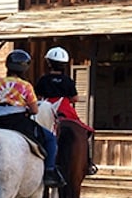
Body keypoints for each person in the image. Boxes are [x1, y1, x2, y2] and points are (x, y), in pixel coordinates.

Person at [0, 49, 62, 188]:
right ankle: (49, 171)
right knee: (50, 139)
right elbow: (34, 110)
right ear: (25, 68)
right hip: (17, 121)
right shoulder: (26, 86)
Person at [34, 46, 97, 176]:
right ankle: (89, 162)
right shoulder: (68, 80)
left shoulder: (43, 79)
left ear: (49, 63)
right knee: (85, 131)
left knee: (33, 130)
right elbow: (75, 98)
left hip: (46, 107)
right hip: (64, 107)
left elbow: (38, 96)